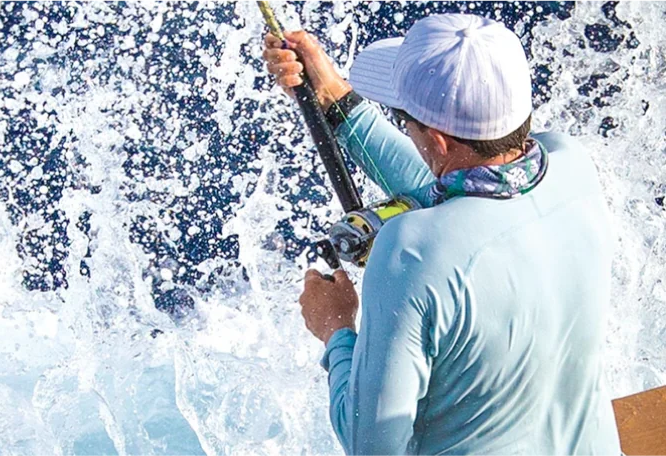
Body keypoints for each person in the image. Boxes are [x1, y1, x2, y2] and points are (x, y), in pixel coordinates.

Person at [263, 14, 621, 454]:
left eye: (404, 120)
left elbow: (370, 446)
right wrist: (334, 99)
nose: (406, 130)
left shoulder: (410, 252)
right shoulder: (573, 165)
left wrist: (335, 328)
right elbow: (456, 187)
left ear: (436, 138)